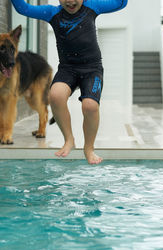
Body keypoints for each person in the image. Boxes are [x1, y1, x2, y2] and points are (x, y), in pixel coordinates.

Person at [10, 0, 128, 164]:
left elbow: (121, 3)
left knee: (90, 106)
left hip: (92, 69)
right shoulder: (53, 13)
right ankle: (69, 139)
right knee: (55, 96)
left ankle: (89, 148)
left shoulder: (92, 7)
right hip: (68, 69)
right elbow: (23, 8)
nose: (70, 1)